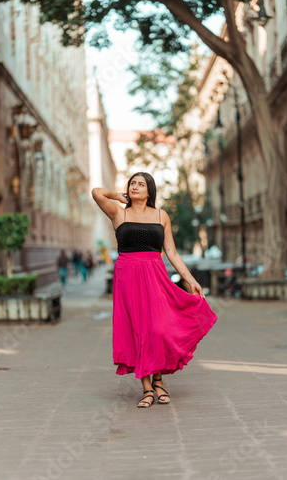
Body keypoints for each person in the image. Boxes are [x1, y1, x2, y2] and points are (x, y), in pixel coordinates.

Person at [91, 172, 217, 409]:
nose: (136, 187)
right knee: (139, 329)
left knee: (158, 328)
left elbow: (171, 252)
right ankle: (149, 387)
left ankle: (158, 380)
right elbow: (97, 193)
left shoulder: (161, 215)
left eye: (141, 184)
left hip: (155, 274)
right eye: (133, 184)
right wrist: (119, 196)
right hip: (128, 276)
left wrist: (191, 280)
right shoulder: (119, 212)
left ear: (150, 191)